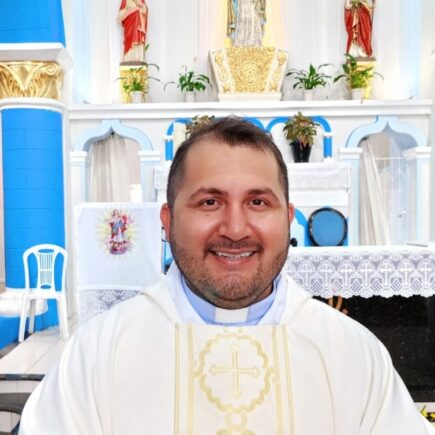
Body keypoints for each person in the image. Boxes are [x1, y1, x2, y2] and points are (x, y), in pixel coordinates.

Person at [20, 118, 434, 434]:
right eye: (209, 202)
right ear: (167, 220)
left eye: (258, 202)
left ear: (288, 219)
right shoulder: (96, 355)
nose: (235, 229)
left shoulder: (353, 354)